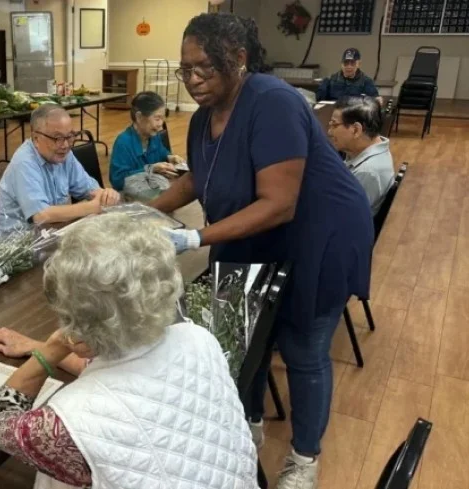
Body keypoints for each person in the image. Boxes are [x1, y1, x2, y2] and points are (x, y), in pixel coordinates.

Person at [152, 14, 373, 488]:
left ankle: (304, 459)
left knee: (302, 349)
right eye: (184, 69)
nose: (192, 81)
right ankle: (245, 427)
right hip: (254, 235)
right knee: (241, 337)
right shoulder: (201, 118)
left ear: (239, 59)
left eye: (203, 69)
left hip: (319, 235)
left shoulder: (273, 102)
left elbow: (279, 203)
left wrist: (193, 238)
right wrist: (147, 214)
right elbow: (198, 178)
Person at [0, 214, 259, 489]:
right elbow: (129, 381)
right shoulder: (198, 339)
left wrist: (52, 349)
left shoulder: (69, 424)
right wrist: (39, 346)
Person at [0, 104, 120, 235]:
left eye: (70, 136)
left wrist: (105, 195)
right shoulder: (24, 162)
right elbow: (42, 216)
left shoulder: (63, 155)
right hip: (15, 243)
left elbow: (89, 189)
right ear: (36, 138)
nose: (65, 145)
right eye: (57, 138)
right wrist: (92, 207)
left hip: (49, 232)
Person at [109, 91, 185, 202]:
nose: (160, 124)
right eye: (157, 118)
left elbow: (161, 152)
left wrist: (170, 157)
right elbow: (118, 180)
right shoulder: (123, 143)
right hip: (130, 198)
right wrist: (151, 169)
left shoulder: (153, 136)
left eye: (162, 119)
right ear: (139, 117)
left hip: (152, 189)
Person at [328, 96, 396, 213]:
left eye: (334, 125)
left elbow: (338, 215)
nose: (329, 131)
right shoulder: (363, 151)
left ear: (356, 130)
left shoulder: (367, 172)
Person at [316, 47, 381, 103]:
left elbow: (375, 100)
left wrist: (377, 100)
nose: (349, 66)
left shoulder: (366, 81)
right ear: (341, 64)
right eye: (346, 63)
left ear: (358, 64)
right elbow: (319, 99)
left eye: (352, 63)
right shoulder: (330, 79)